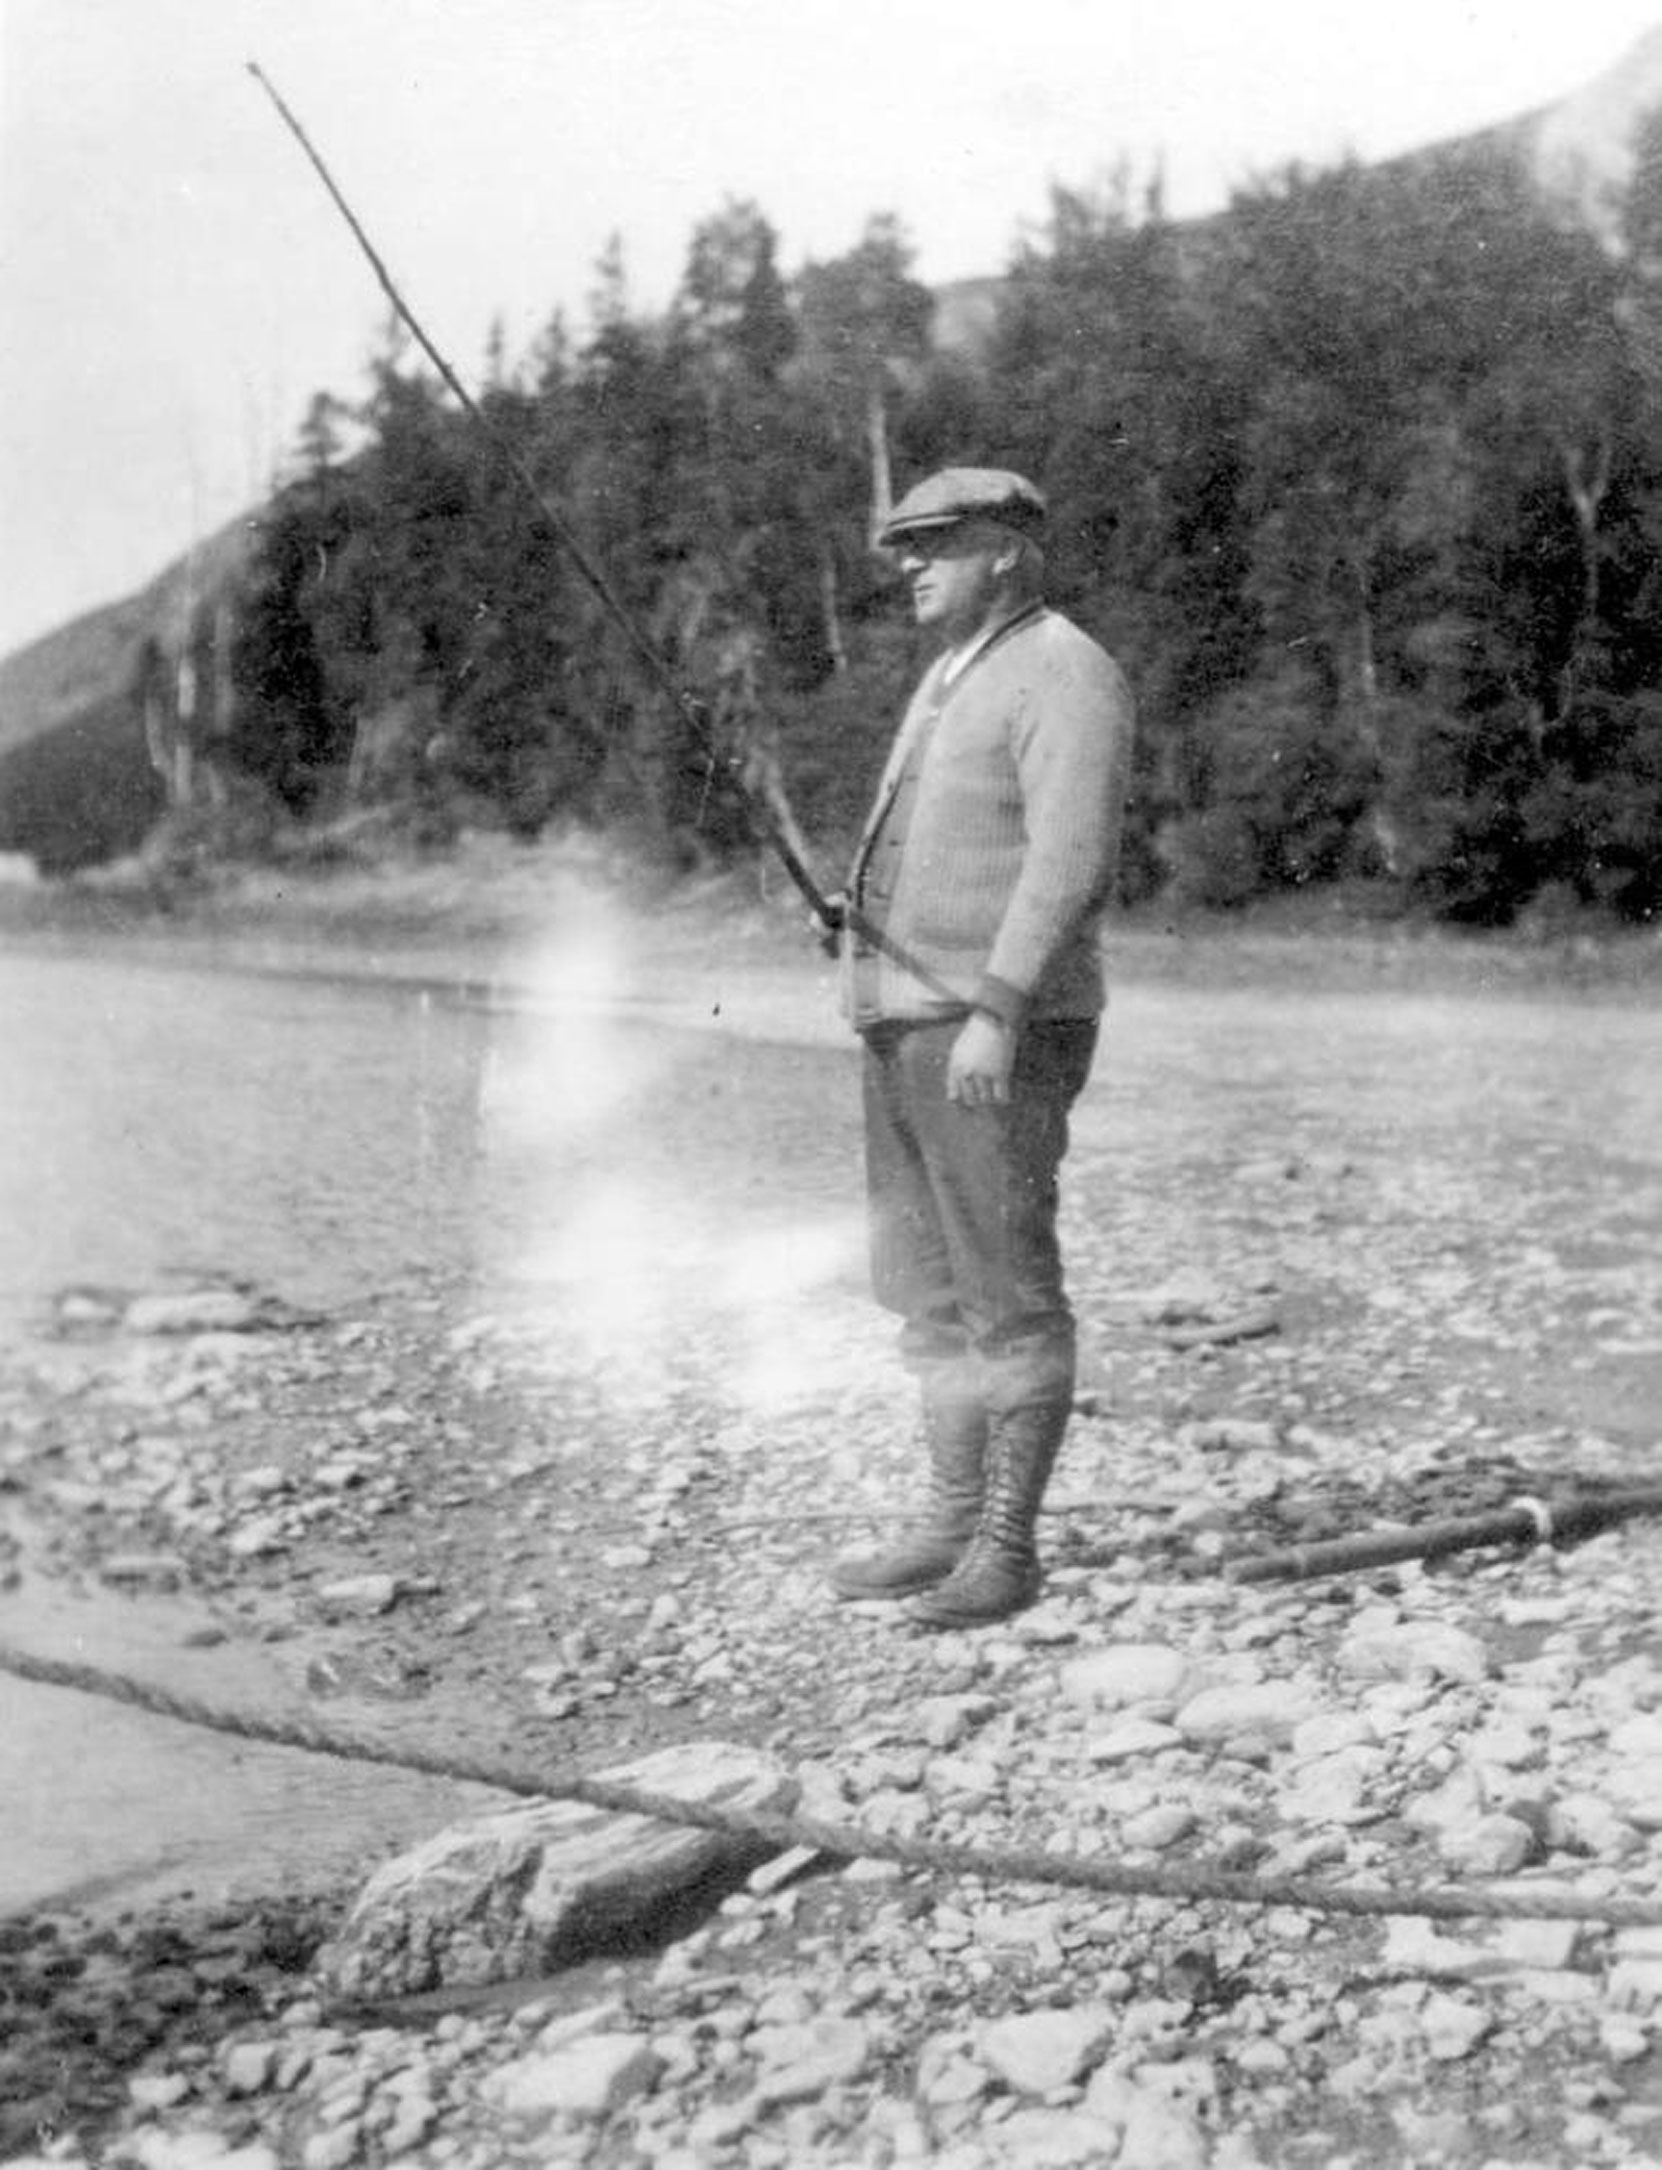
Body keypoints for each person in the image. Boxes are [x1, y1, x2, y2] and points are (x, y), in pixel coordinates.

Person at [825, 466, 1134, 1629]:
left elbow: (1068, 860)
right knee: (924, 1283)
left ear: (1008, 548)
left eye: (938, 544)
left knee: (1006, 1287)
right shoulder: (953, 676)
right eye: (907, 546)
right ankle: (950, 1520)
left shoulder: (1065, 668)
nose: (912, 564)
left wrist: (999, 1008)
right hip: (908, 1017)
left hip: (992, 1027)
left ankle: (1007, 1548)